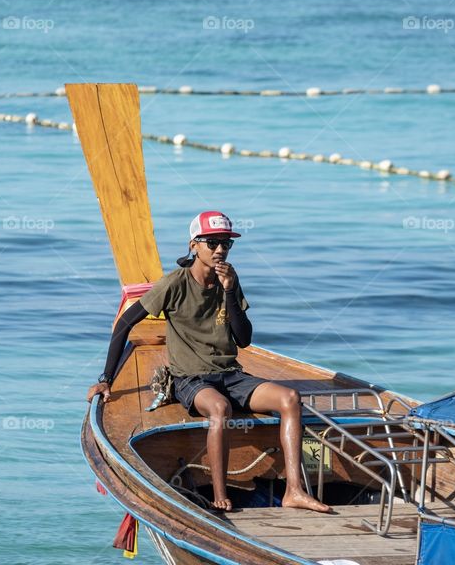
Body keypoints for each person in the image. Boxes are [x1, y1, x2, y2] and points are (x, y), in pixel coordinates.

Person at [87, 211, 331, 513]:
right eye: (212, 243)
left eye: (226, 244)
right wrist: (106, 378)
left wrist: (229, 291)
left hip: (231, 375)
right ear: (194, 245)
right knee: (219, 408)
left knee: (290, 398)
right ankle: (219, 494)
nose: (219, 250)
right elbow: (125, 323)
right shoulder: (174, 284)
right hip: (190, 379)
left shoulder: (229, 277)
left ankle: (294, 490)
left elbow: (243, 339)